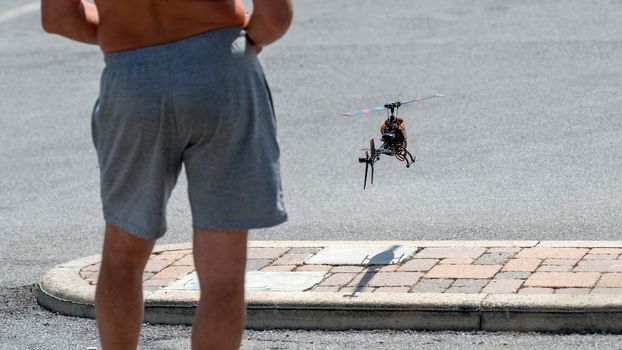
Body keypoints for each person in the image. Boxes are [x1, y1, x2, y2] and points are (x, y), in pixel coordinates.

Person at [40, 0, 292, 349]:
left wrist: (125, 36)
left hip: (132, 75)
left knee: (122, 254)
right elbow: (276, 17)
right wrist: (247, 36)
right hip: (220, 66)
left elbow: (57, 18)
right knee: (223, 273)